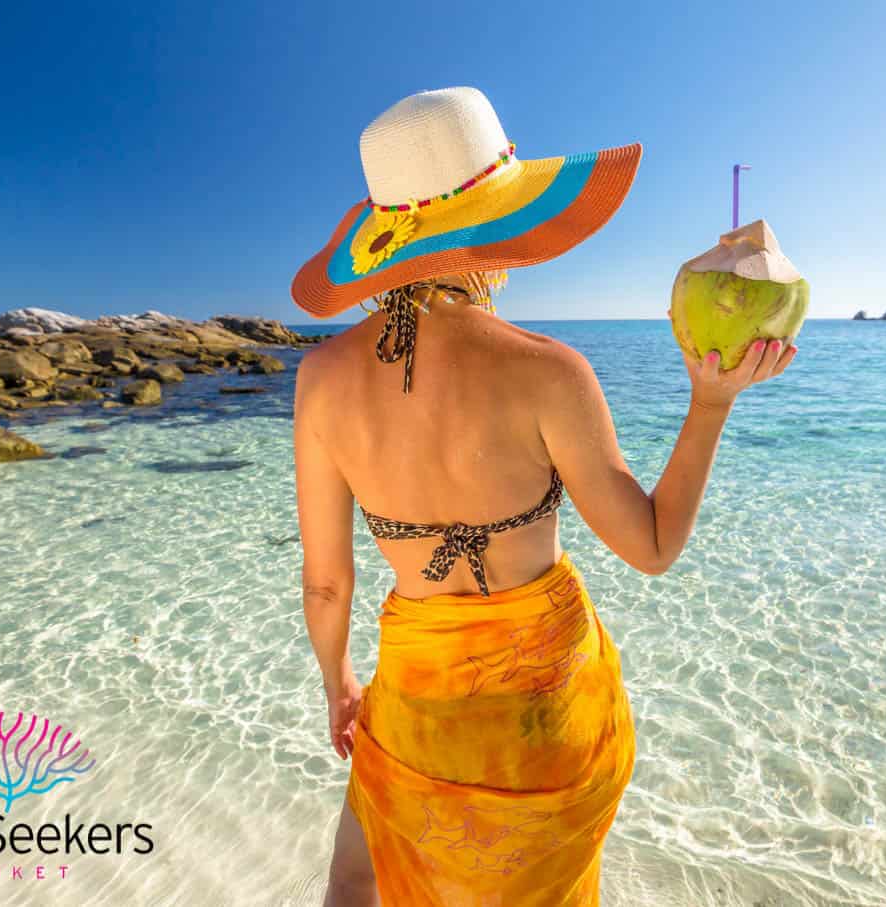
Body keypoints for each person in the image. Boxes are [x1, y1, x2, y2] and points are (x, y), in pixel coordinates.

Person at [290, 87, 797, 907]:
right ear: (495, 225)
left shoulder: (319, 381)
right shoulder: (549, 370)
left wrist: (339, 684)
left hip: (419, 704)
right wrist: (710, 403)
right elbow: (654, 546)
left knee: (359, 874)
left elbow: (325, 584)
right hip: (547, 714)